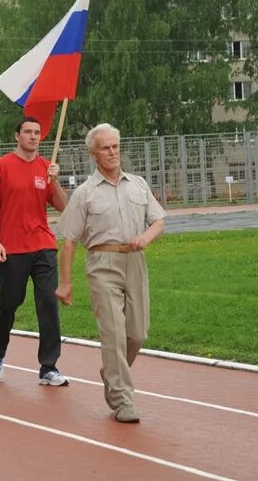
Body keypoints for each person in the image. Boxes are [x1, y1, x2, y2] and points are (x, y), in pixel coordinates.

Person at [56, 123, 166, 423]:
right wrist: (64, 283)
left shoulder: (138, 184)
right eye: (105, 147)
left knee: (137, 332)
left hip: (135, 261)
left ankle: (111, 370)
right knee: (114, 334)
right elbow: (68, 241)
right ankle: (122, 400)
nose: (112, 152)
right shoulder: (84, 193)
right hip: (102, 263)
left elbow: (158, 221)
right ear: (94, 154)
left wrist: (145, 237)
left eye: (115, 146)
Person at [0, 116, 69, 386]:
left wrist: (55, 181)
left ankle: (49, 366)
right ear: (17, 136)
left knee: (48, 303)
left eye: (37, 132)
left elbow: (64, 206)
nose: (33, 136)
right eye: (28, 132)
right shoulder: (2, 166)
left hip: (43, 246)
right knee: (8, 303)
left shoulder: (46, 168)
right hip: (13, 247)